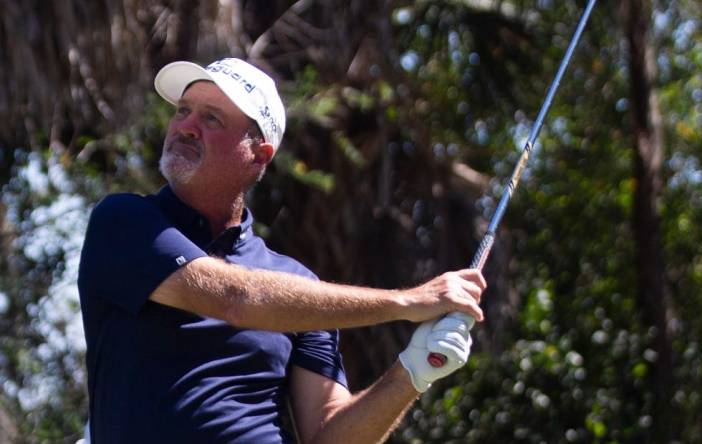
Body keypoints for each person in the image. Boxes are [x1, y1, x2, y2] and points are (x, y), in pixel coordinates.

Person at [77, 57, 486, 444]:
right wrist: (406, 302)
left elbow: (328, 433)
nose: (185, 126)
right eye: (183, 110)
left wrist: (411, 373)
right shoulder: (125, 221)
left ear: (259, 154)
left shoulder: (299, 287)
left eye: (211, 118)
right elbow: (236, 299)